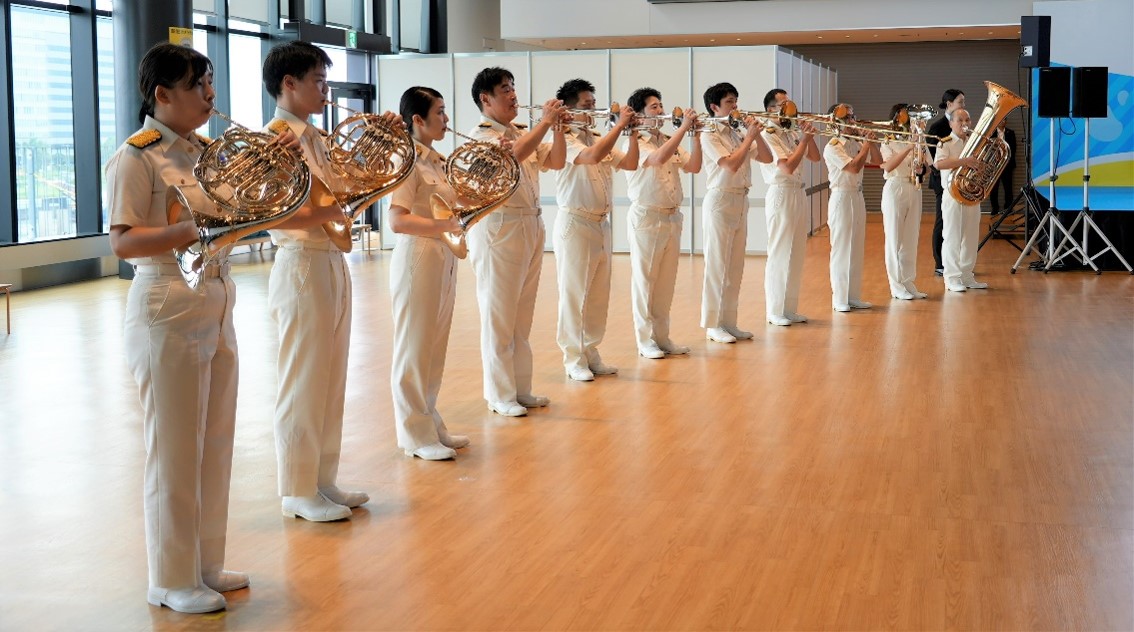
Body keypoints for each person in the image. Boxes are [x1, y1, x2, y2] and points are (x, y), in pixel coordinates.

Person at [107, 42, 246, 614]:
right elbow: (122, 242)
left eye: (211, 83)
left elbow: (236, 218)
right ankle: (169, 578)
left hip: (216, 295)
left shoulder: (209, 152)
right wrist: (192, 230)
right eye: (198, 85)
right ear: (163, 94)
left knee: (214, 441)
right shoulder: (137, 156)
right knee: (174, 448)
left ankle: (204, 564)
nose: (210, 95)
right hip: (165, 300)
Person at [261, 41, 380, 521]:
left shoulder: (316, 138)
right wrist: (338, 208)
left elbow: (346, 190)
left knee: (330, 379)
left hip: (330, 258)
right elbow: (280, 215)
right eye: (319, 81)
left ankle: (322, 478)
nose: (326, 91)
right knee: (303, 380)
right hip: (301, 263)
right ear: (289, 84)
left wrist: (377, 150)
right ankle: (296, 489)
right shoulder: (273, 140)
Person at [467, 67, 566, 417]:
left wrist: (557, 127)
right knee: (499, 315)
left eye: (513, 88)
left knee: (522, 316)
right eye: (505, 89)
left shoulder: (521, 132)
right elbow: (511, 158)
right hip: (499, 228)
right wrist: (545, 123)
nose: (513, 95)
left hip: (530, 224)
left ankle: (521, 388)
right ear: (486, 99)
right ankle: (499, 394)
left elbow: (557, 160)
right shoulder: (481, 136)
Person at [388, 87, 471, 460]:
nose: (446, 119)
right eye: (439, 112)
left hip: (442, 254)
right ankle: (414, 435)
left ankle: (430, 421)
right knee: (414, 348)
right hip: (418, 255)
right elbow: (397, 220)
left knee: (434, 347)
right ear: (418, 120)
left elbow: (453, 205)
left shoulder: (436, 160)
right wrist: (445, 226)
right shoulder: (406, 160)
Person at [550, 79, 638, 381]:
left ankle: (590, 351)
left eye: (593, 103)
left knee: (598, 294)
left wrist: (631, 133)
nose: (594, 110)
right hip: (575, 223)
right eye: (587, 105)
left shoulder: (598, 136)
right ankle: (572, 358)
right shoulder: (564, 137)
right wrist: (619, 126)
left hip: (601, 223)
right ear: (569, 110)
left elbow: (631, 163)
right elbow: (592, 156)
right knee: (574, 294)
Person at [624, 87, 702, 359]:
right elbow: (658, 159)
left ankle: (662, 337)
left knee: (665, 283)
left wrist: (696, 137)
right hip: (647, 218)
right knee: (645, 282)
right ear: (639, 115)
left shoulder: (669, 139)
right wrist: (684, 128)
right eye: (654, 107)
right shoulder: (635, 141)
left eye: (660, 105)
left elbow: (694, 167)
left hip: (672, 217)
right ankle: (644, 340)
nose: (661, 111)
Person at [699, 82, 772, 343]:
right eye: (729, 102)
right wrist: (749, 138)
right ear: (714, 107)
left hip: (741, 198)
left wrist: (756, 134)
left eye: (735, 101)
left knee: (735, 265)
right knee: (717, 265)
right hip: (720, 199)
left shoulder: (737, 131)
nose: (735, 106)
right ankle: (712, 324)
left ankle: (729, 322)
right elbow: (729, 165)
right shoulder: (709, 133)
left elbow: (767, 158)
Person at [759, 88, 820, 326]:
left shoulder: (790, 131)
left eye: (790, 104)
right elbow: (787, 167)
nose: (790, 109)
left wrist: (807, 136)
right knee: (780, 252)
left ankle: (789, 308)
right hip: (781, 192)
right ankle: (774, 310)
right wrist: (803, 140)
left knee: (796, 253)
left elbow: (815, 157)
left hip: (798, 192)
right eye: (783, 105)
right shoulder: (768, 133)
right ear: (770, 110)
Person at [822, 103, 881, 312]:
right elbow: (854, 167)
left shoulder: (855, 142)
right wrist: (866, 144)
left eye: (853, 116)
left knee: (856, 248)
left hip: (857, 196)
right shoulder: (833, 146)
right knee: (841, 249)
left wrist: (870, 143)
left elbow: (879, 161)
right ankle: (839, 298)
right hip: (841, 197)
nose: (853, 121)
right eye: (847, 118)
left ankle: (853, 296)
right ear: (835, 122)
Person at [879, 104, 931, 300]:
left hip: (914, 187)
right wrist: (910, 147)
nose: (911, 120)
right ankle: (896, 285)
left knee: (911, 238)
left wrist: (922, 169)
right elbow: (888, 166)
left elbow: (927, 166)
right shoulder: (888, 139)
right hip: (895, 187)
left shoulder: (918, 137)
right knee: (894, 239)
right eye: (907, 115)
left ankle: (908, 282)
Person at [934, 108, 987, 292]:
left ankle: (967, 275)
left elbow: (979, 165)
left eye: (967, 120)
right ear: (951, 123)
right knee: (952, 237)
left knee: (970, 239)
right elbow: (939, 164)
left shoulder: (975, 142)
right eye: (960, 120)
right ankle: (952, 278)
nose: (965, 123)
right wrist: (964, 161)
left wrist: (980, 167)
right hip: (953, 196)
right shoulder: (945, 143)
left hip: (971, 195)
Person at [927, 89, 965, 277]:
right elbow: (932, 157)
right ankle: (940, 263)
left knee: (959, 223)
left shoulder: (963, 125)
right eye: (960, 102)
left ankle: (957, 263)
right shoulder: (937, 127)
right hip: (943, 182)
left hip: (961, 182)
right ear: (949, 104)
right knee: (943, 222)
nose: (963, 105)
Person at [989, 120, 1017, 215]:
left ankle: (1008, 208)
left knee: (1008, 187)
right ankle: (995, 208)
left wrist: (1006, 158)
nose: (1002, 122)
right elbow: (988, 148)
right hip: (994, 165)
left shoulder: (1010, 132)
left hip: (1007, 164)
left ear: (1006, 122)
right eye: (1001, 120)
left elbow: (1014, 148)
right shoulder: (991, 133)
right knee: (993, 188)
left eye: (1005, 120)